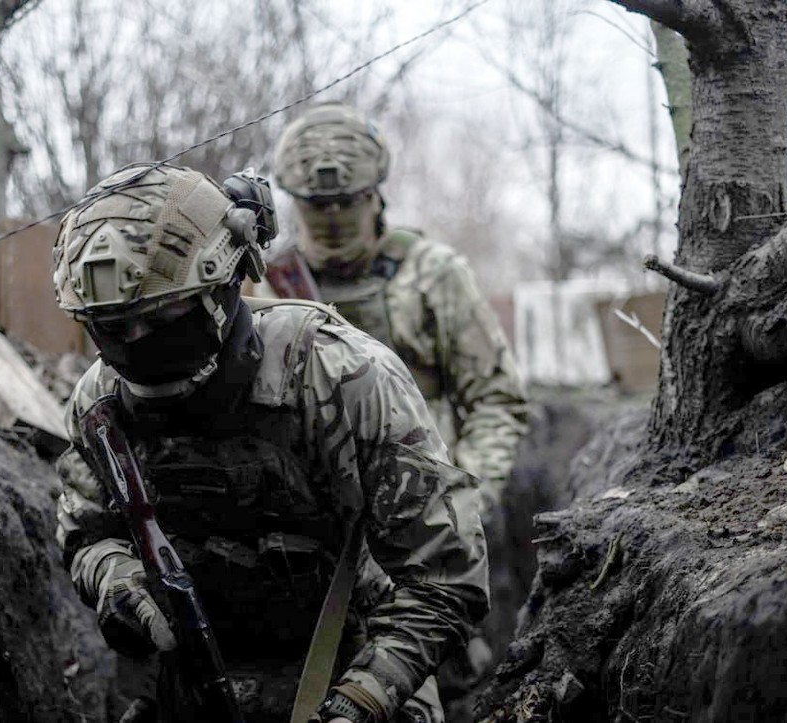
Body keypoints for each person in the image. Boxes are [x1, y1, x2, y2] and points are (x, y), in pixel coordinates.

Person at [51, 162, 490, 723]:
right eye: (112, 327)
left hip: (361, 660)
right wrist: (116, 577)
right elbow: (87, 534)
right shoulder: (101, 404)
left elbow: (446, 578)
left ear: (222, 289)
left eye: (160, 317)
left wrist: (363, 700)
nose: (136, 344)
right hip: (191, 676)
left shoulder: (341, 376)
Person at [273, 103, 529, 702]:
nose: (333, 217)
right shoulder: (267, 282)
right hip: (311, 534)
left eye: (347, 202)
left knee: (453, 682)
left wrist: (471, 494)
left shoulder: (432, 275)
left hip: (426, 523)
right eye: (317, 206)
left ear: (375, 194)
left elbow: (494, 399)